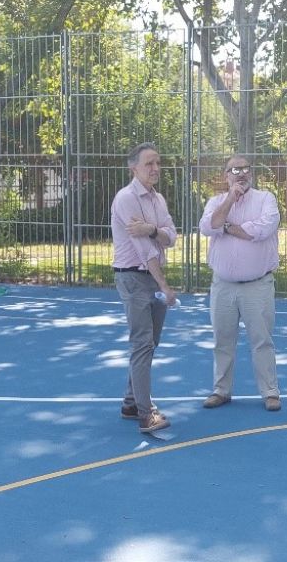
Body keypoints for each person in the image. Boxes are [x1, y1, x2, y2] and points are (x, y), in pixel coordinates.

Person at [199, 155, 281, 411]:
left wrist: (226, 227)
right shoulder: (216, 202)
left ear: (251, 173)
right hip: (223, 286)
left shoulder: (266, 199)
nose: (241, 174)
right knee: (222, 341)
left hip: (258, 285)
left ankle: (270, 392)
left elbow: (260, 230)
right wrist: (230, 201)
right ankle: (221, 390)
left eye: (245, 169)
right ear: (226, 176)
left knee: (262, 341)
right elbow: (208, 226)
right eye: (235, 170)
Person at [111, 142, 178, 433]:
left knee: (150, 343)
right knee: (142, 343)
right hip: (133, 277)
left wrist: (151, 229)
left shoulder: (157, 199)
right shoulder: (126, 198)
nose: (155, 168)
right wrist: (165, 285)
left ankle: (130, 402)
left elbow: (171, 236)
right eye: (149, 163)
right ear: (133, 168)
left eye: (158, 163)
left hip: (151, 278)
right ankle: (145, 413)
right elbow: (144, 250)